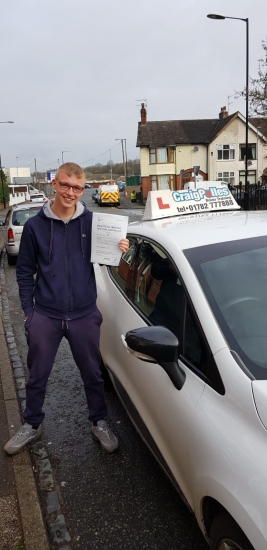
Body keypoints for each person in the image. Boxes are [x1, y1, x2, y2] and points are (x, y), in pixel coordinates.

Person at [4, 162, 129, 455]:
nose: (70, 192)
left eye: (76, 187)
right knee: (37, 374)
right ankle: (31, 424)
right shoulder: (35, 226)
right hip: (45, 315)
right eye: (64, 185)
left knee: (93, 375)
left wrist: (120, 248)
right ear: (55, 185)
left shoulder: (93, 223)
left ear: (83, 190)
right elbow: (23, 271)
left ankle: (99, 421)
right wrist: (29, 313)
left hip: (84, 314)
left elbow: (108, 261)